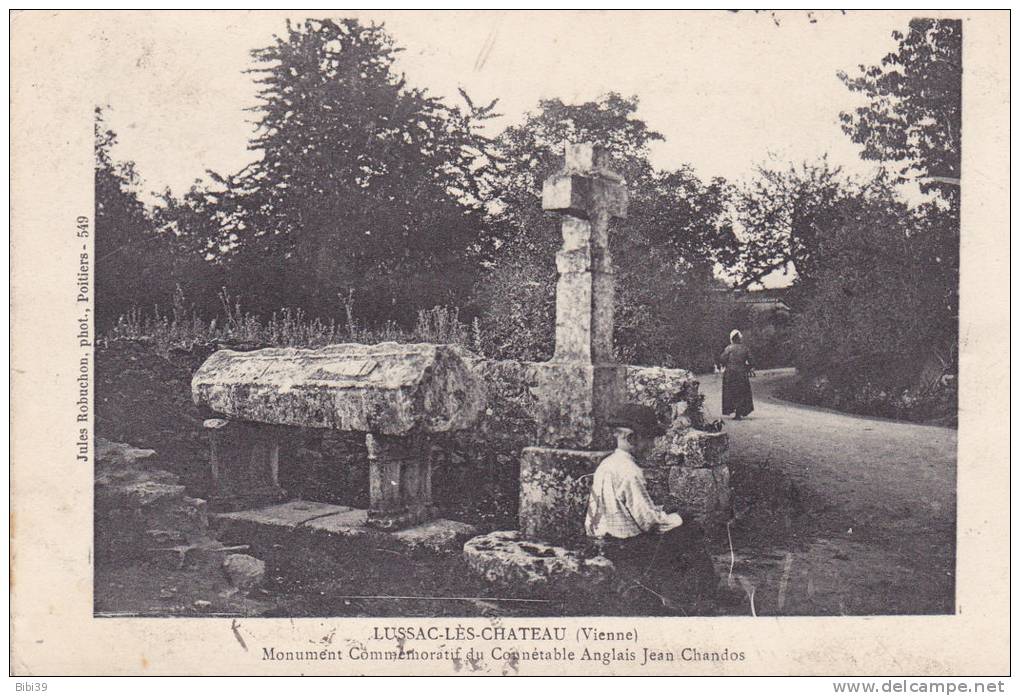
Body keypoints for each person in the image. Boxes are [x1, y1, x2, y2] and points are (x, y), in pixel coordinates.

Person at [584, 403, 719, 603]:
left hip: (601, 538)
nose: (653, 446)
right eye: (650, 440)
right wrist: (680, 517)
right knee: (689, 531)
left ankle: (687, 591)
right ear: (632, 438)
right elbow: (650, 523)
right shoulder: (630, 472)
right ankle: (698, 595)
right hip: (624, 545)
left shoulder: (607, 464)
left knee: (678, 523)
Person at [720, 329, 754, 419]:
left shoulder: (728, 348)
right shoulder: (745, 348)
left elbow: (722, 359)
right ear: (739, 338)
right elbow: (751, 361)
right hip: (741, 373)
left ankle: (734, 411)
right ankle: (740, 411)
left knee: (732, 392)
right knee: (741, 392)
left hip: (730, 373)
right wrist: (747, 368)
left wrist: (725, 365)